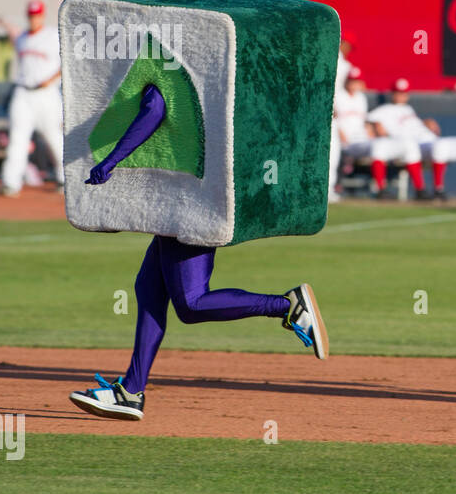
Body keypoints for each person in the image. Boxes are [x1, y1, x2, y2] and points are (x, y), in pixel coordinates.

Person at [68, 83, 328, 421]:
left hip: (187, 198)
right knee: (148, 289)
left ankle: (286, 306)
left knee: (191, 303)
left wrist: (112, 159)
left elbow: (155, 109)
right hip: (185, 192)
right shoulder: (201, 65)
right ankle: (129, 393)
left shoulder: (164, 59)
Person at [367, 77, 456, 203]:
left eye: (403, 93)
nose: (400, 96)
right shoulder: (383, 110)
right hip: (413, 146)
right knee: (440, 146)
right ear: (392, 94)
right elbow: (367, 122)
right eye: (398, 92)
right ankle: (438, 190)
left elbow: (412, 126)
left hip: (431, 140)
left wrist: (425, 122)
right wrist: (375, 128)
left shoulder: (408, 109)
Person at [0, 0, 63, 196]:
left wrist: (51, 80)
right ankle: (11, 183)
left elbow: (66, 63)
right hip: (24, 92)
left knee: (54, 138)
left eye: (36, 15)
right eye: (31, 15)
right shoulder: (22, 38)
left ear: (42, 15)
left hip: (47, 94)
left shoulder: (53, 35)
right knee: (18, 138)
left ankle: (66, 179)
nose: (34, 19)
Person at [329, 66, 420, 200]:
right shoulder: (339, 97)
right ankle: (380, 189)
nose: (354, 84)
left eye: (357, 81)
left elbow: (365, 121)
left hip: (362, 139)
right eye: (352, 80)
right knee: (379, 147)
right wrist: (342, 137)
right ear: (347, 81)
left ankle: (418, 190)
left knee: (392, 145)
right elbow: (337, 122)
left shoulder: (361, 98)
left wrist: (370, 132)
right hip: (347, 142)